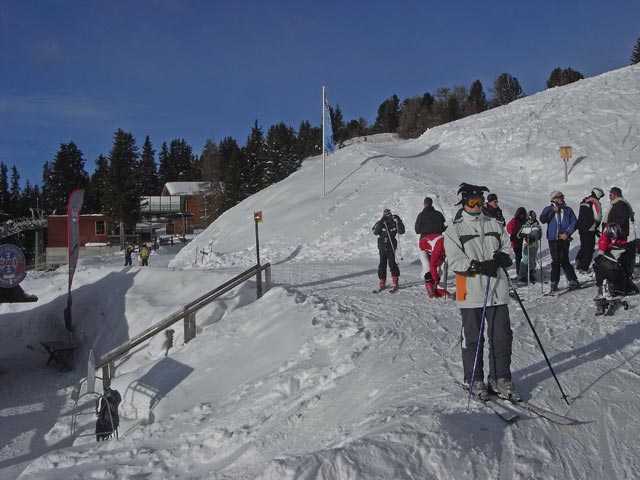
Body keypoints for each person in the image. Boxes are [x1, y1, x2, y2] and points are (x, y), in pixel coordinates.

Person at [443, 183, 520, 401]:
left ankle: (500, 377)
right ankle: (474, 378)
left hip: (497, 291)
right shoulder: (454, 229)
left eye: (480, 202)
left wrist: (506, 257)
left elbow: (507, 247)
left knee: (502, 337)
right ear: (464, 203)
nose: (476, 206)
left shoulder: (495, 224)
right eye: (472, 202)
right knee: (474, 339)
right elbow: (455, 260)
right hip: (471, 293)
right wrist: (477, 266)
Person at [539, 191, 580, 292]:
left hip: (564, 238)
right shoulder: (548, 209)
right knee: (556, 260)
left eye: (562, 197)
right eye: (560, 197)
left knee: (564, 259)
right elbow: (543, 219)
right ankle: (554, 282)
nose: (562, 199)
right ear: (554, 199)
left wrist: (567, 233)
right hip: (553, 239)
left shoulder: (567, 210)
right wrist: (553, 211)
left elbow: (574, 222)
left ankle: (573, 280)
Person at [593, 223, 639, 298]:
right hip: (610, 263)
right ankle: (610, 287)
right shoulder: (605, 240)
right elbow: (602, 247)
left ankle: (606, 286)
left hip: (608, 261)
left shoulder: (622, 242)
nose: (613, 239)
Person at [414, 197, 447, 297]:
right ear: (432, 204)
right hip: (438, 240)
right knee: (440, 266)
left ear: (424, 204)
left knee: (428, 266)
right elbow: (444, 226)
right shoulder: (438, 214)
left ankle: (430, 286)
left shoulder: (421, 215)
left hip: (425, 242)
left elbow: (417, 230)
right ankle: (437, 286)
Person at [373, 208, 405, 291]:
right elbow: (376, 232)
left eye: (390, 216)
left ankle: (395, 280)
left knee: (392, 262)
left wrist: (399, 221)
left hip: (391, 244)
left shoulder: (394, 224)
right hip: (382, 245)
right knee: (382, 263)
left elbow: (401, 231)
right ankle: (382, 281)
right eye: (386, 216)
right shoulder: (381, 223)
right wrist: (381, 221)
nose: (388, 218)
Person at [575, 187, 604, 274]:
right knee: (590, 249)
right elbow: (598, 215)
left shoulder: (584, 201)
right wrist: (596, 226)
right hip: (590, 228)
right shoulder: (595, 201)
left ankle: (579, 260)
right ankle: (584, 267)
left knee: (583, 246)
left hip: (581, 227)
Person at [516, 211, 543, 284]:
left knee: (531, 259)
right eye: (529, 218)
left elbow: (539, 235)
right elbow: (518, 235)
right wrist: (523, 235)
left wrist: (532, 237)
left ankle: (531, 273)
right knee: (524, 259)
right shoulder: (525, 226)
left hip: (534, 245)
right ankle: (522, 276)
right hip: (525, 245)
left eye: (531, 218)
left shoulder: (536, 226)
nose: (530, 220)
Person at [506, 207, 527, 279]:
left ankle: (525, 272)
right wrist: (514, 233)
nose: (522, 216)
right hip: (516, 242)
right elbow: (509, 228)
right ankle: (519, 273)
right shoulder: (514, 220)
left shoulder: (525, 221)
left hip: (524, 242)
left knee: (525, 258)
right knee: (518, 258)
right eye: (521, 214)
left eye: (523, 214)